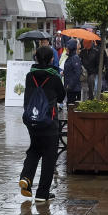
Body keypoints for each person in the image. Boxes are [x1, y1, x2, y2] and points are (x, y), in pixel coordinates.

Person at [18, 46, 66, 202]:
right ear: (52, 59)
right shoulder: (54, 77)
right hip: (49, 121)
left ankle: (26, 177)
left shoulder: (29, 75)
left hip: (31, 119)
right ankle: (42, 193)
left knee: (34, 149)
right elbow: (61, 97)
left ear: (36, 58)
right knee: (49, 156)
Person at [62, 39, 83, 105]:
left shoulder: (75, 58)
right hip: (70, 88)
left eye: (67, 48)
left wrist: (70, 86)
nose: (66, 49)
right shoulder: (70, 57)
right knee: (69, 106)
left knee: (73, 108)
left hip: (74, 89)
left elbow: (77, 73)